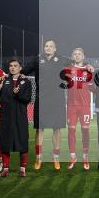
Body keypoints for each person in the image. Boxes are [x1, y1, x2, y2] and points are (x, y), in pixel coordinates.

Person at [25, 39, 66, 170]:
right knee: (40, 129)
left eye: (51, 46)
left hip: (57, 99)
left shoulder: (61, 59)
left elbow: (76, 64)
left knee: (57, 128)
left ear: (55, 49)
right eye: (46, 46)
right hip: (41, 98)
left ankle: (56, 158)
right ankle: (39, 158)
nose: (48, 48)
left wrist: (88, 65)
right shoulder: (37, 60)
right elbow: (24, 71)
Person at [0, 58, 33, 177]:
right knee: (5, 142)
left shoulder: (26, 82)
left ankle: (22, 169)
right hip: (6, 116)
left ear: (20, 68)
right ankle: (5, 168)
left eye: (15, 66)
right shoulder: (3, 80)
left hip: (20, 116)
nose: (12, 68)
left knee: (22, 141)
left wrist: (18, 93)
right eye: (11, 66)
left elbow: (27, 99)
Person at [63, 47, 94, 170]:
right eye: (75, 54)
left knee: (85, 130)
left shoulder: (89, 71)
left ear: (83, 56)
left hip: (85, 106)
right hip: (71, 106)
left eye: (79, 54)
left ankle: (85, 157)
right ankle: (73, 157)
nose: (77, 55)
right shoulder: (68, 70)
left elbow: (93, 88)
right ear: (72, 56)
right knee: (71, 130)